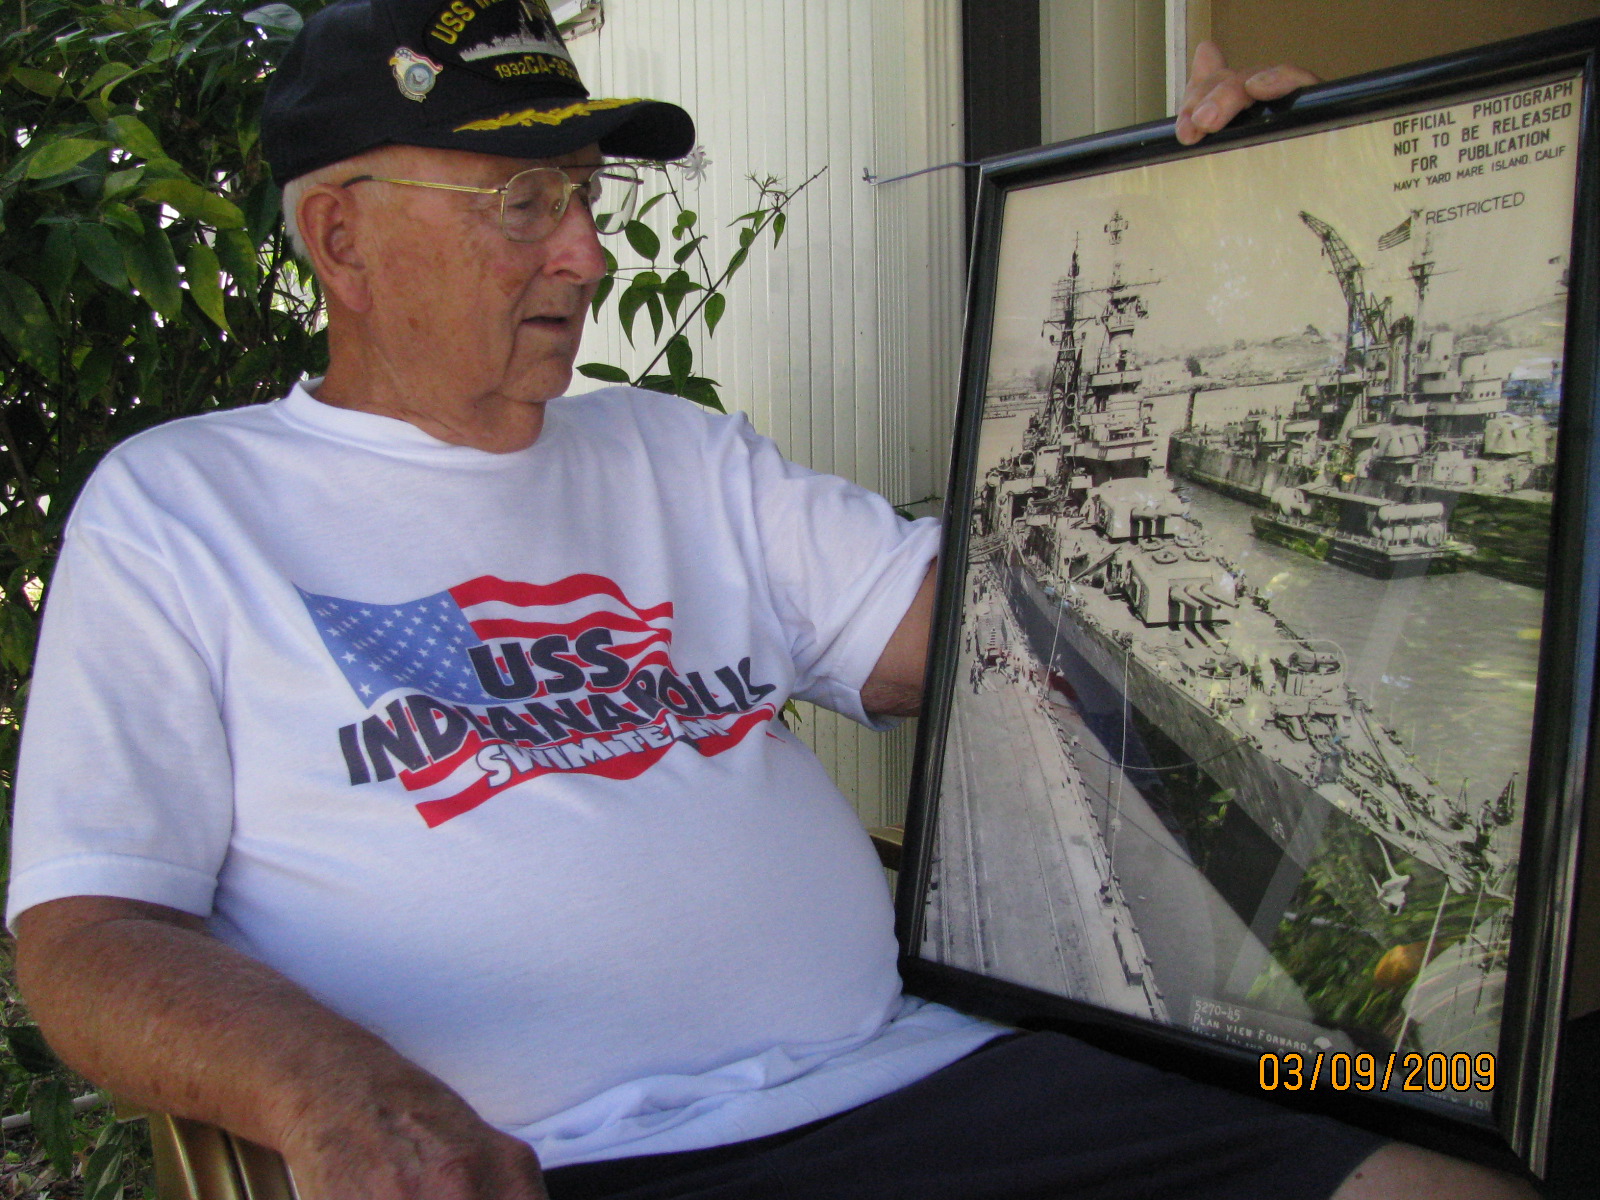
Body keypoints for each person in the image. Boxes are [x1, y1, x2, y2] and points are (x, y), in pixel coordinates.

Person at [5, 2, 1537, 1197]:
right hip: (562, 1165)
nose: (587, 253)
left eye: (587, 193)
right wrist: (340, 1094)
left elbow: (1000, 625)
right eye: (523, 199)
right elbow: (86, 934)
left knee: (1437, 1187)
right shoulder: (185, 507)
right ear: (341, 236)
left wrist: (1245, 238)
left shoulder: (678, 454)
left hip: (935, 1087)